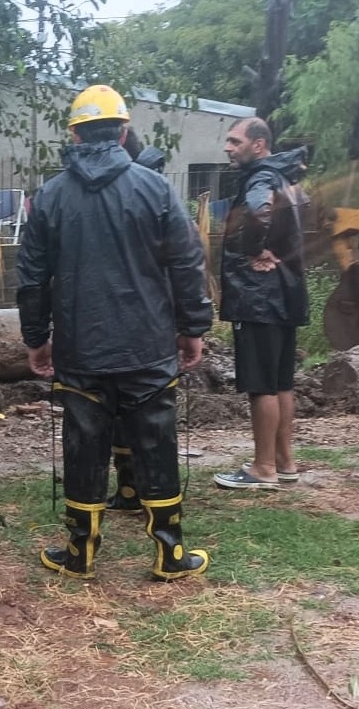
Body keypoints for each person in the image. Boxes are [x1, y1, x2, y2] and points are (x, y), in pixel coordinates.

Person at [16, 84, 212, 581]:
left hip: (81, 349)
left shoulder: (50, 197)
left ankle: (79, 552)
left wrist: (37, 339)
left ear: (74, 135)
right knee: (157, 442)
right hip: (148, 345)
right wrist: (193, 328)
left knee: (83, 445)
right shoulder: (155, 189)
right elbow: (187, 263)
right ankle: (170, 553)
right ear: (123, 132)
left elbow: (32, 278)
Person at [211, 118, 309, 490]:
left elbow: (257, 211)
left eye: (235, 141)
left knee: (262, 385)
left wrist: (253, 249)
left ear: (259, 144)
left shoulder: (262, 177)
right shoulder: (286, 178)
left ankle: (263, 468)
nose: (228, 147)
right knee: (281, 383)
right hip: (286, 292)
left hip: (259, 296)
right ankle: (285, 463)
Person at [105, 126, 171, 513]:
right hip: (151, 321)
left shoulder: (104, 195)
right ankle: (146, 492)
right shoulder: (155, 190)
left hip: (107, 322)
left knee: (117, 411)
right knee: (147, 413)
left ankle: (131, 488)